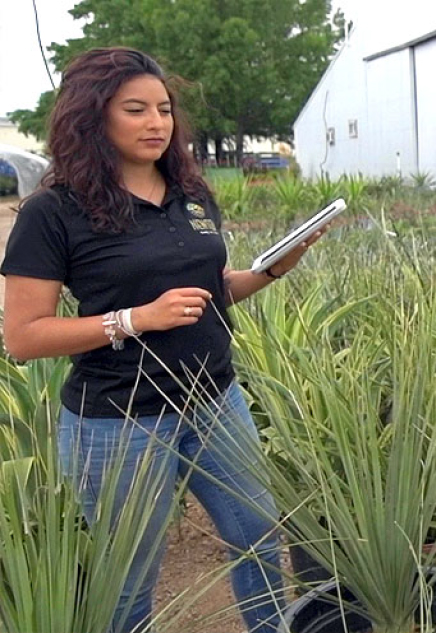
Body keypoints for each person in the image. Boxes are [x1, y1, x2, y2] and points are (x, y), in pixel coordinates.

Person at [1, 47, 322, 632]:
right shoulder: (53, 212)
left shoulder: (190, 193)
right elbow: (23, 337)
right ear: (93, 116)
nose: (156, 123)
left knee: (257, 538)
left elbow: (209, 293)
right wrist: (134, 319)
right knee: (130, 577)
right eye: (136, 110)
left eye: (164, 110)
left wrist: (276, 266)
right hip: (120, 419)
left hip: (215, 401)